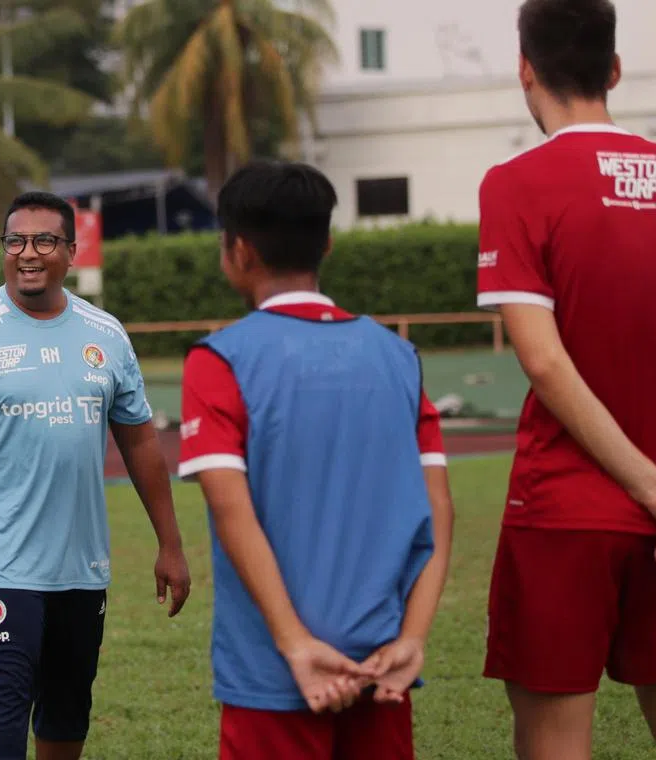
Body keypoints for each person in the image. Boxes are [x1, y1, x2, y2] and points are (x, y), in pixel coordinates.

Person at [178, 161, 455, 760]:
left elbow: (232, 512)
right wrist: (413, 637)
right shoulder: (399, 357)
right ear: (326, 243)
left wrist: (296, 643)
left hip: (272, 675)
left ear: (238, 250)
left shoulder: (219, 361)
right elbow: (437, 510)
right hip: (383, 669)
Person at [0, 190, 192, 760]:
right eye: (15, 240)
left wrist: (171, 543)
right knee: (5, 693)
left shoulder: (106, 336)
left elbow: (138, 439)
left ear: (71, 250)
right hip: (0, 560)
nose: (27, 253)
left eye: (43, 240)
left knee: (67, 708)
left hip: (81, 562)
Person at [477, 0, 656, 757]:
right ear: (615, 70)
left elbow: (543, 358)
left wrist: (652, 486)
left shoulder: (516, 181)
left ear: (526, 69)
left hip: (568, 505)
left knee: (555, 737)